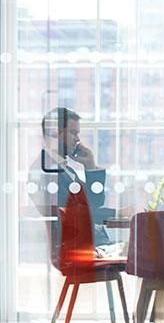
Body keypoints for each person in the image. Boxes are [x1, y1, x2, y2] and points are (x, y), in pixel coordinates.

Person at [30, 107, 121, 256]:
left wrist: (90, 166)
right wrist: (118, 213)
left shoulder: (65, 170)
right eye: (73, 133)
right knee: (143, 253)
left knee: (142, 252)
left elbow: (93, 204)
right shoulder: (46, 172)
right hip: (77, 248)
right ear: (54, 133)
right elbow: (77, 215)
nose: (78, 140)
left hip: (92, 244)